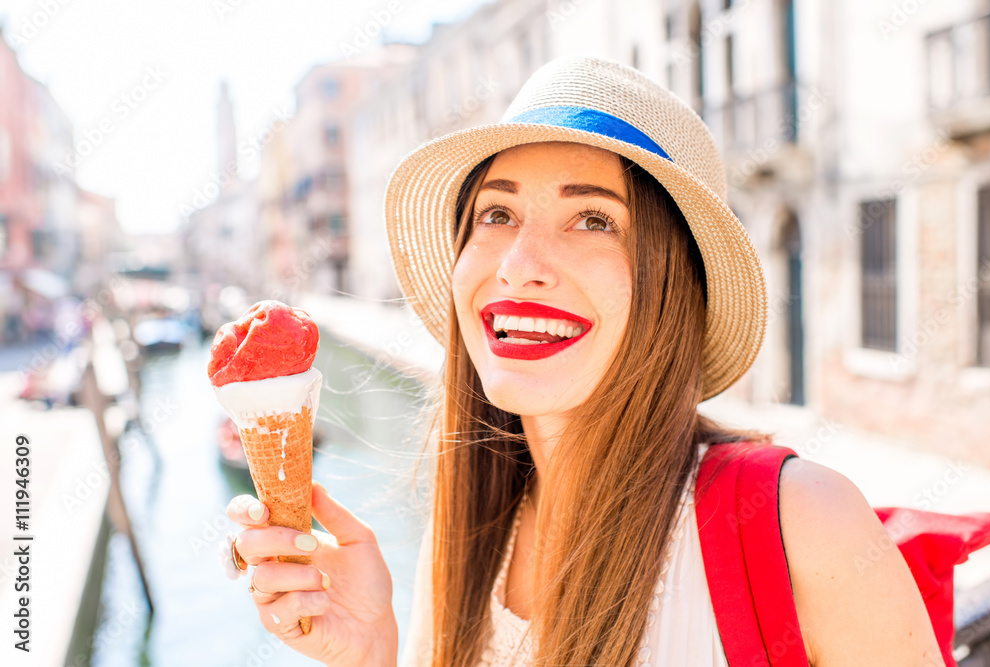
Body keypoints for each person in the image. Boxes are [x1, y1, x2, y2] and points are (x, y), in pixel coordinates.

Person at [223, 57, 943, 666]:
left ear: (668, 285)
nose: (518, 266)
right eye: (496, 214)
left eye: (593, 219)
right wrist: (375, 649)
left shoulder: (804, 521)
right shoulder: (463, 536)